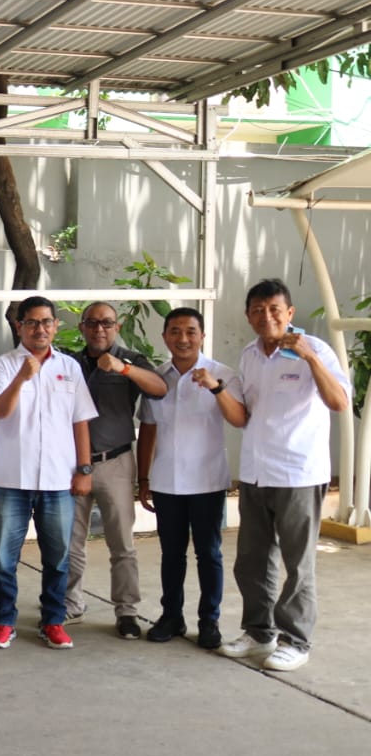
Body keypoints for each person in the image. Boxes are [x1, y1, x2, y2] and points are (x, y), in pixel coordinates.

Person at [218, 278, 350, 672]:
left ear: (289, 313)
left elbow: (339, 402)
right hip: (256, 473)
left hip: (298, 473)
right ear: (248, 315)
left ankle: (296, 640)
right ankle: (260, 633)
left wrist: (310, 358)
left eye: (274, 309)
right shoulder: (249, 355)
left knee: (298, 564)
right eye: (258, 310)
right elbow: (247, 415)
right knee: (252, 561)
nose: (267, 316)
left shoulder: (317, 349)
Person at [0, 296, 97, 650]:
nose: (40, 329)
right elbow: (1, 411)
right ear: (19, 326)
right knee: (4, 558)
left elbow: (80, 420)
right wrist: (21, 377)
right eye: (32, 322)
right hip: (11, 479)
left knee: (58, 557)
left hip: (58, 479)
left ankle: (53, 621)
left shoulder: (69, 367)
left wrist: (84, 469)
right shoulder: (4, 365)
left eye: (46, 322)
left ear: (55, 326)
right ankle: (4, 621)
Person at [136, 307, 246, 650]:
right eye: (175, 331)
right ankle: (172, 617)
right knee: (171, 554)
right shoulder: (156, 378)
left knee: (209, 554)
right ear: (165, 336)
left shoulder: (222, 374)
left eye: (190, 332)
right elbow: (148, 429)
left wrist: (215, 388)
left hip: (207, 481)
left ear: (202, 336)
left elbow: (239, 418)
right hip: (166, 481)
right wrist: (143, 479)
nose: (183, 339)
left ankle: (209, 621)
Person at [66, 302, 167, 639]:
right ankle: (70, 604)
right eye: (93, 323)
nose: (100, 329)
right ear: (82, 327)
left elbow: (159, 388)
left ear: (117, 327)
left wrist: (124, 369)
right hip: (72, 465)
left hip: (117, 463)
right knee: (70, 542)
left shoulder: (131, 359)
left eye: (107, 323)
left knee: (122, 543)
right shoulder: (70, 363)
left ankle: (127, 611)